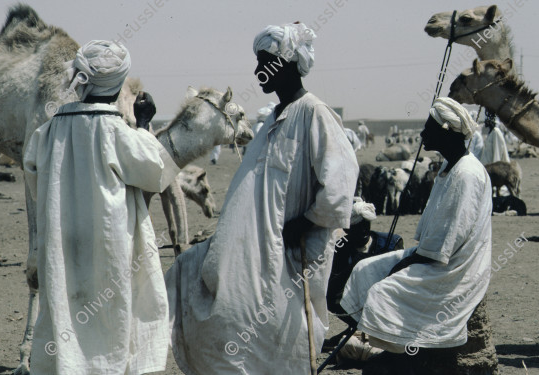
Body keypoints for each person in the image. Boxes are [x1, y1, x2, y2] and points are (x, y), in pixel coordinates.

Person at [165, 22, 359, 374]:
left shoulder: (314, 114)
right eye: (257, 61)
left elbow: (339, 187)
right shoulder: (273, 120)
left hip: (295, 251)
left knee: (286, 333)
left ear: (288, 63)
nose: (257, 71)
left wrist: (301, 224)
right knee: (196, 282)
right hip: (256, 250)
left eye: (265, 61)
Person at [23, 41, 180, 374]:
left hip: (64, 247)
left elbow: (35, 182)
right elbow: (157, 172)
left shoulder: (47, 132)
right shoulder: (118, 133)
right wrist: (145, 124)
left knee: (66, 310)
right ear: (118, 83)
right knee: (112, 318)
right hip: (111, 246)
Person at [340, 97, 492, 354]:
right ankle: (376, 338)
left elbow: (451, 238)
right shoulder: (448, 166)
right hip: (431, 254)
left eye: (428, 128)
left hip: (454, 267)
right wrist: (409, 259)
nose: (422, 134)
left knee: (381, 291)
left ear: (445, 132)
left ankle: (399, 350)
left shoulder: (467, 173)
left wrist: (406, 264)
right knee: (364, 270)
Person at [326, 198, 403, 320]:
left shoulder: (392, 243)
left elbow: (400, 281)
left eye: (366, 224)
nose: (363, 230)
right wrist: (357, 264)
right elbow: (333, 292)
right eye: (357, 227)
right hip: (357, 299)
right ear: (347, 229)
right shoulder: (340, 249)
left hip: (387, 303)